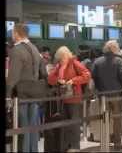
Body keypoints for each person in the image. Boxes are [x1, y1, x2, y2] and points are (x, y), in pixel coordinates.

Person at [6, 24, 46, 152]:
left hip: (21, 94)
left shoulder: (16, 50)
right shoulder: (34, 48)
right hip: (34, 92)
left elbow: (13, 77)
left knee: (22, 126)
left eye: (12, 32)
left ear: (16, 33)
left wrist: (7, 95)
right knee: (32, 125)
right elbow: (43, 72)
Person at [47, 46, 91, 151]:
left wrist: (73, 80)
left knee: (74, 124)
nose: (61, 60)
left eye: (62, 57)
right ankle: (66, 147)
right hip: (63, 99)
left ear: (66, 55)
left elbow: (87, 75)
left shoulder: (75, 63)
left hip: (74, 98)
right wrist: (58, 80)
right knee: (65, 125)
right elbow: (50, 79)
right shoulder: (59, 66)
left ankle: (75, 147)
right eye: (59, 58)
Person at [91, 40, 122, 147]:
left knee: (104, 118)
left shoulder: (97, 61)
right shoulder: (120, 61)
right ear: (113, 49)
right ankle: (117, 142)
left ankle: (104, 141)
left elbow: (93, 77)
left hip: (102, 94)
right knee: (117, 119)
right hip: (117, 94)